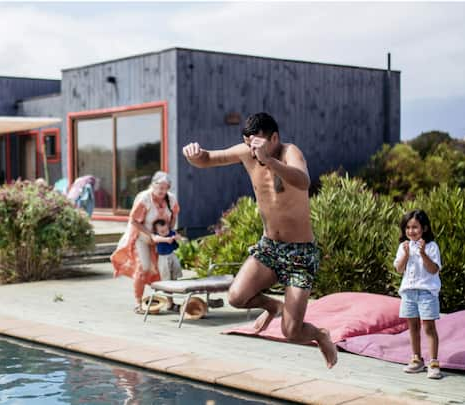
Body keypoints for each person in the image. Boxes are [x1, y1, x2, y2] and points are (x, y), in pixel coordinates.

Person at [182, 112, 338, 369]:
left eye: (258, 145)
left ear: (274, 138)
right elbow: (209, 158)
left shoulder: (290, 153)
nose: (253, 152)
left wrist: (269, 161)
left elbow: (303, 181)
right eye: (249, 145)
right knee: (236, 296)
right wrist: (195, 156)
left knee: (292, 332)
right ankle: (273, 306)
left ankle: (320, 335)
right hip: (269, 247)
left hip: (300, 254)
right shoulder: (247, 151)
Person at [110, 171, 180, 314]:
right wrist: (151, 235)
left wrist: (171, 232)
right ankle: (138, 303)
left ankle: (170, 303)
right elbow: (134, 221)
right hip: (143, 237)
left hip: (161, 239)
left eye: (165, 188)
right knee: (144, 268)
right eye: (159, 187)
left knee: (166, 269)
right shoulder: (144, 199)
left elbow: (173, 216)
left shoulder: (171, 199)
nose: (162, 191)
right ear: (153, 185)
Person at [393, 209, 443, 379]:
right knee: (413, 327)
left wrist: (422, 254)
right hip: (408, 292)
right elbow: (399, 269)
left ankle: (434, 362)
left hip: (426, 293)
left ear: (425, 228)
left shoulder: (431, 246)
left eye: (415, 227)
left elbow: (433, 269)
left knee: (428, 327)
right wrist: (406, 255)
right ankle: (416, 359)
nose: (411, 231)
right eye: (408, 227)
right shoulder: (403, 247)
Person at [152, 218, 184, 312]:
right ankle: (169, 300)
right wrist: (166, 239)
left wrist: (177, 238)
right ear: (157, 231)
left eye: (166, 230)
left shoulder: (171, 233)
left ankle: (174, 280)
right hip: (163, 257)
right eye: (162, 231)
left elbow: (179, 237)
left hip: (172, 254)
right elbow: (155, 239)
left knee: (176, 269)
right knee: (166, 277)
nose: (165, 232)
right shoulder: (157, 236)